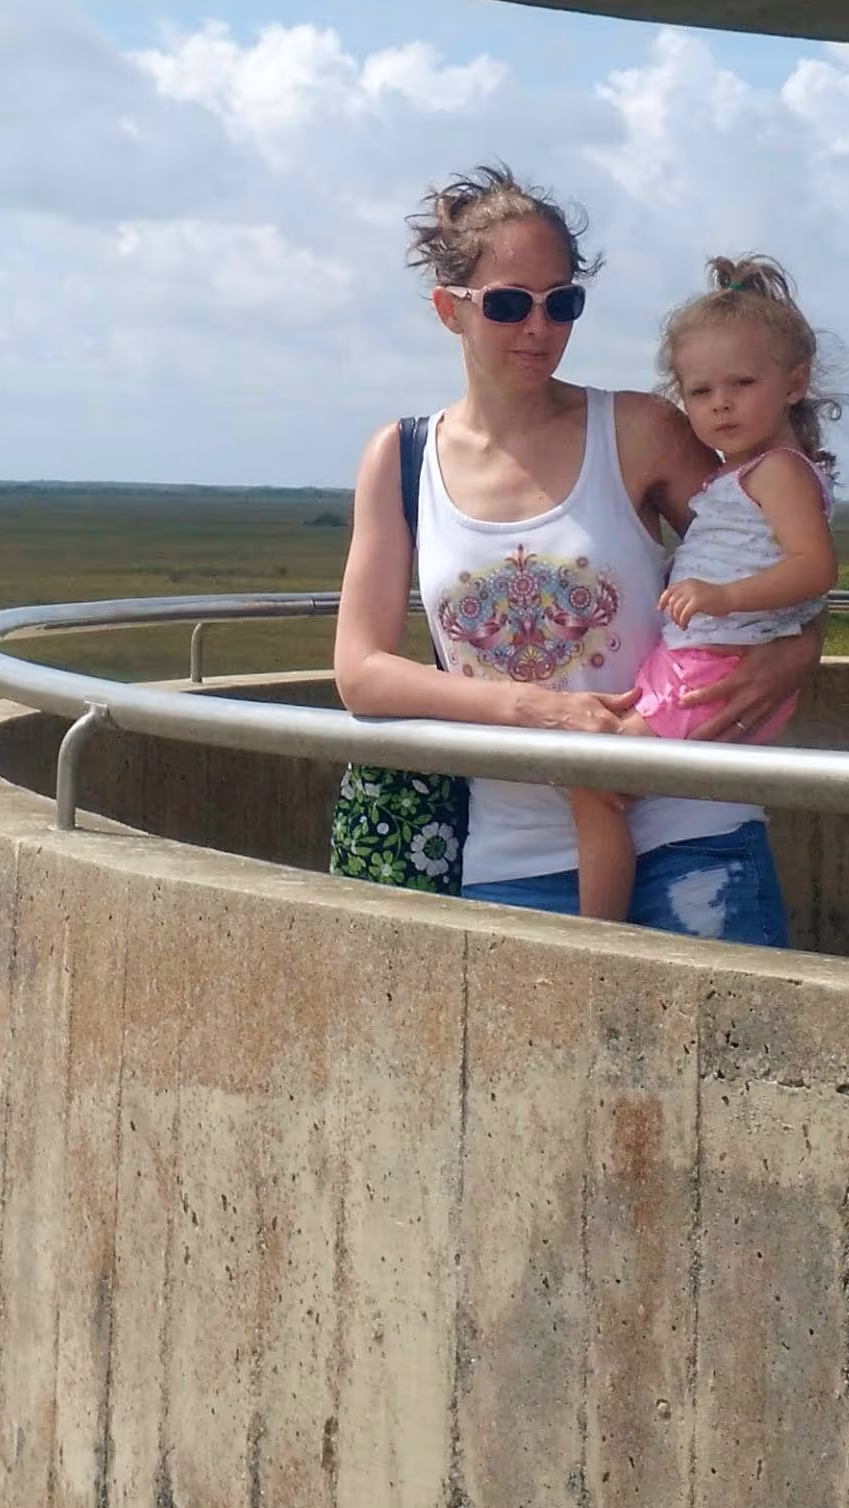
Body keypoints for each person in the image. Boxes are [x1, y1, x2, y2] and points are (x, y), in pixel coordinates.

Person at [331, 168, 812, 944]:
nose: (539, 327)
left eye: (563, 302)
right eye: (509, 303)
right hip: (509, 851)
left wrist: (798, 650)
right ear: (448, 310)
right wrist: (539, 709)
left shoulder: (639, 430)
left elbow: (780, 555)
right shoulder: (402, 456)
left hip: (688, 826)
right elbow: (360, 670)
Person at [571, 257, 843, 922]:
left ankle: (591, 938)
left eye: (741, 383)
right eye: (699, 391)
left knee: (593, 783)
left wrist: (722, 597)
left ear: (794, 383)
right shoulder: (743, 475)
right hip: (699, 660)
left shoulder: (778, 473)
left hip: (712, 667)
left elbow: (815, 569)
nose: (719, 403)